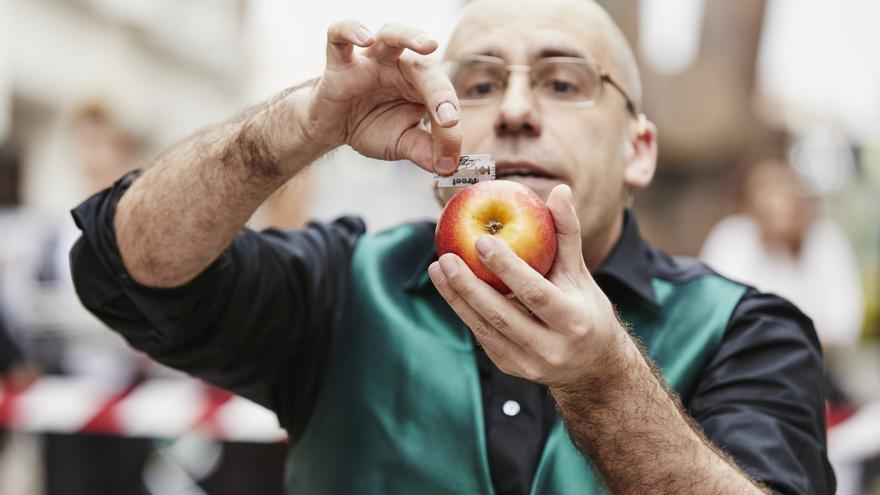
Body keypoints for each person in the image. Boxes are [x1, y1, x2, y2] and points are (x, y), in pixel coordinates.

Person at [68, 0, 834, 493]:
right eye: (475, 86)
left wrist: (605, 382)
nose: (517, 111)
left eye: (565, 85)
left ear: (639, 148)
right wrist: (299, 127)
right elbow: (124, 267)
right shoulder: (343, 282)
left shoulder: (748, 329)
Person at [701, 158, 864, 349]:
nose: (777, 205)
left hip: (814, 361)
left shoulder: (824, 239)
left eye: (784, 194)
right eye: (767, 194)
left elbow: (845, 321)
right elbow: (714, 312)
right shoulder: (732, 238)